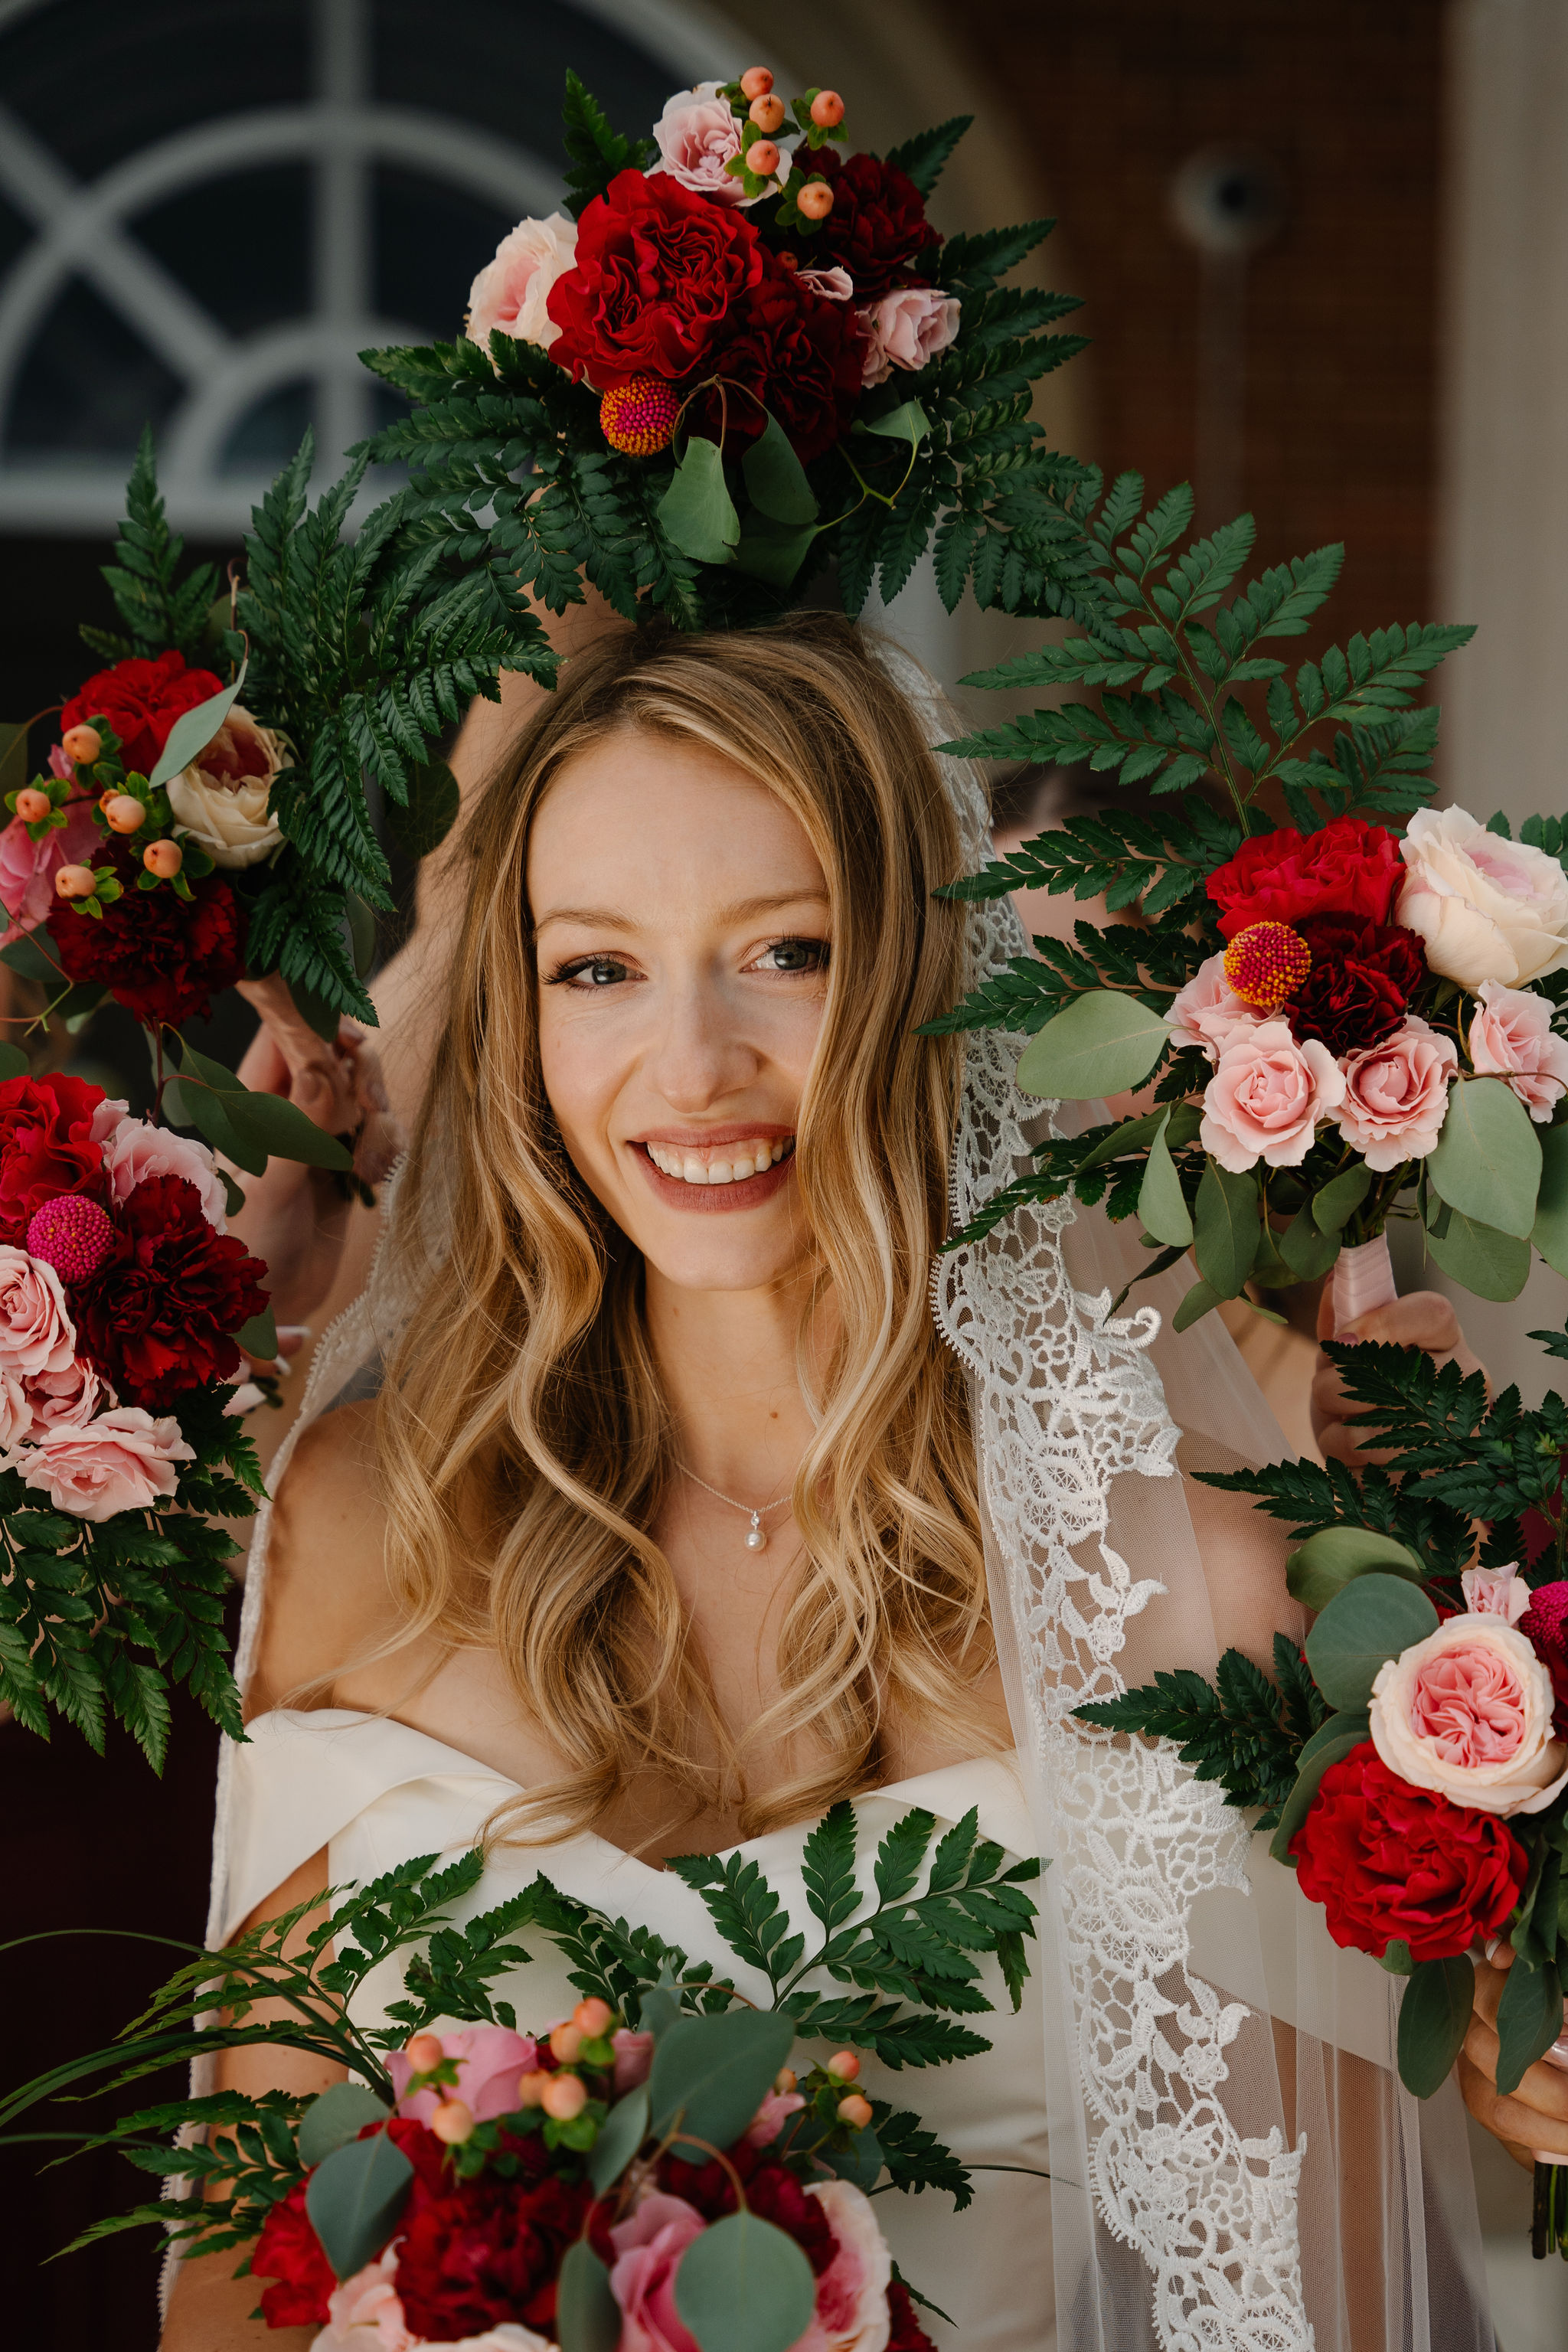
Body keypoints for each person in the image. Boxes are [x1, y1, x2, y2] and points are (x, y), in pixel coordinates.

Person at [171, 616, 1494, 2351]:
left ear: (927, 988)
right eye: (595, 968)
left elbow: (1306, 2314)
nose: (694, 1064)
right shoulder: (356, 1514)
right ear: (520, 1021)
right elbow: (231, 2289)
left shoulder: (1199, 1588)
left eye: (784, 951)